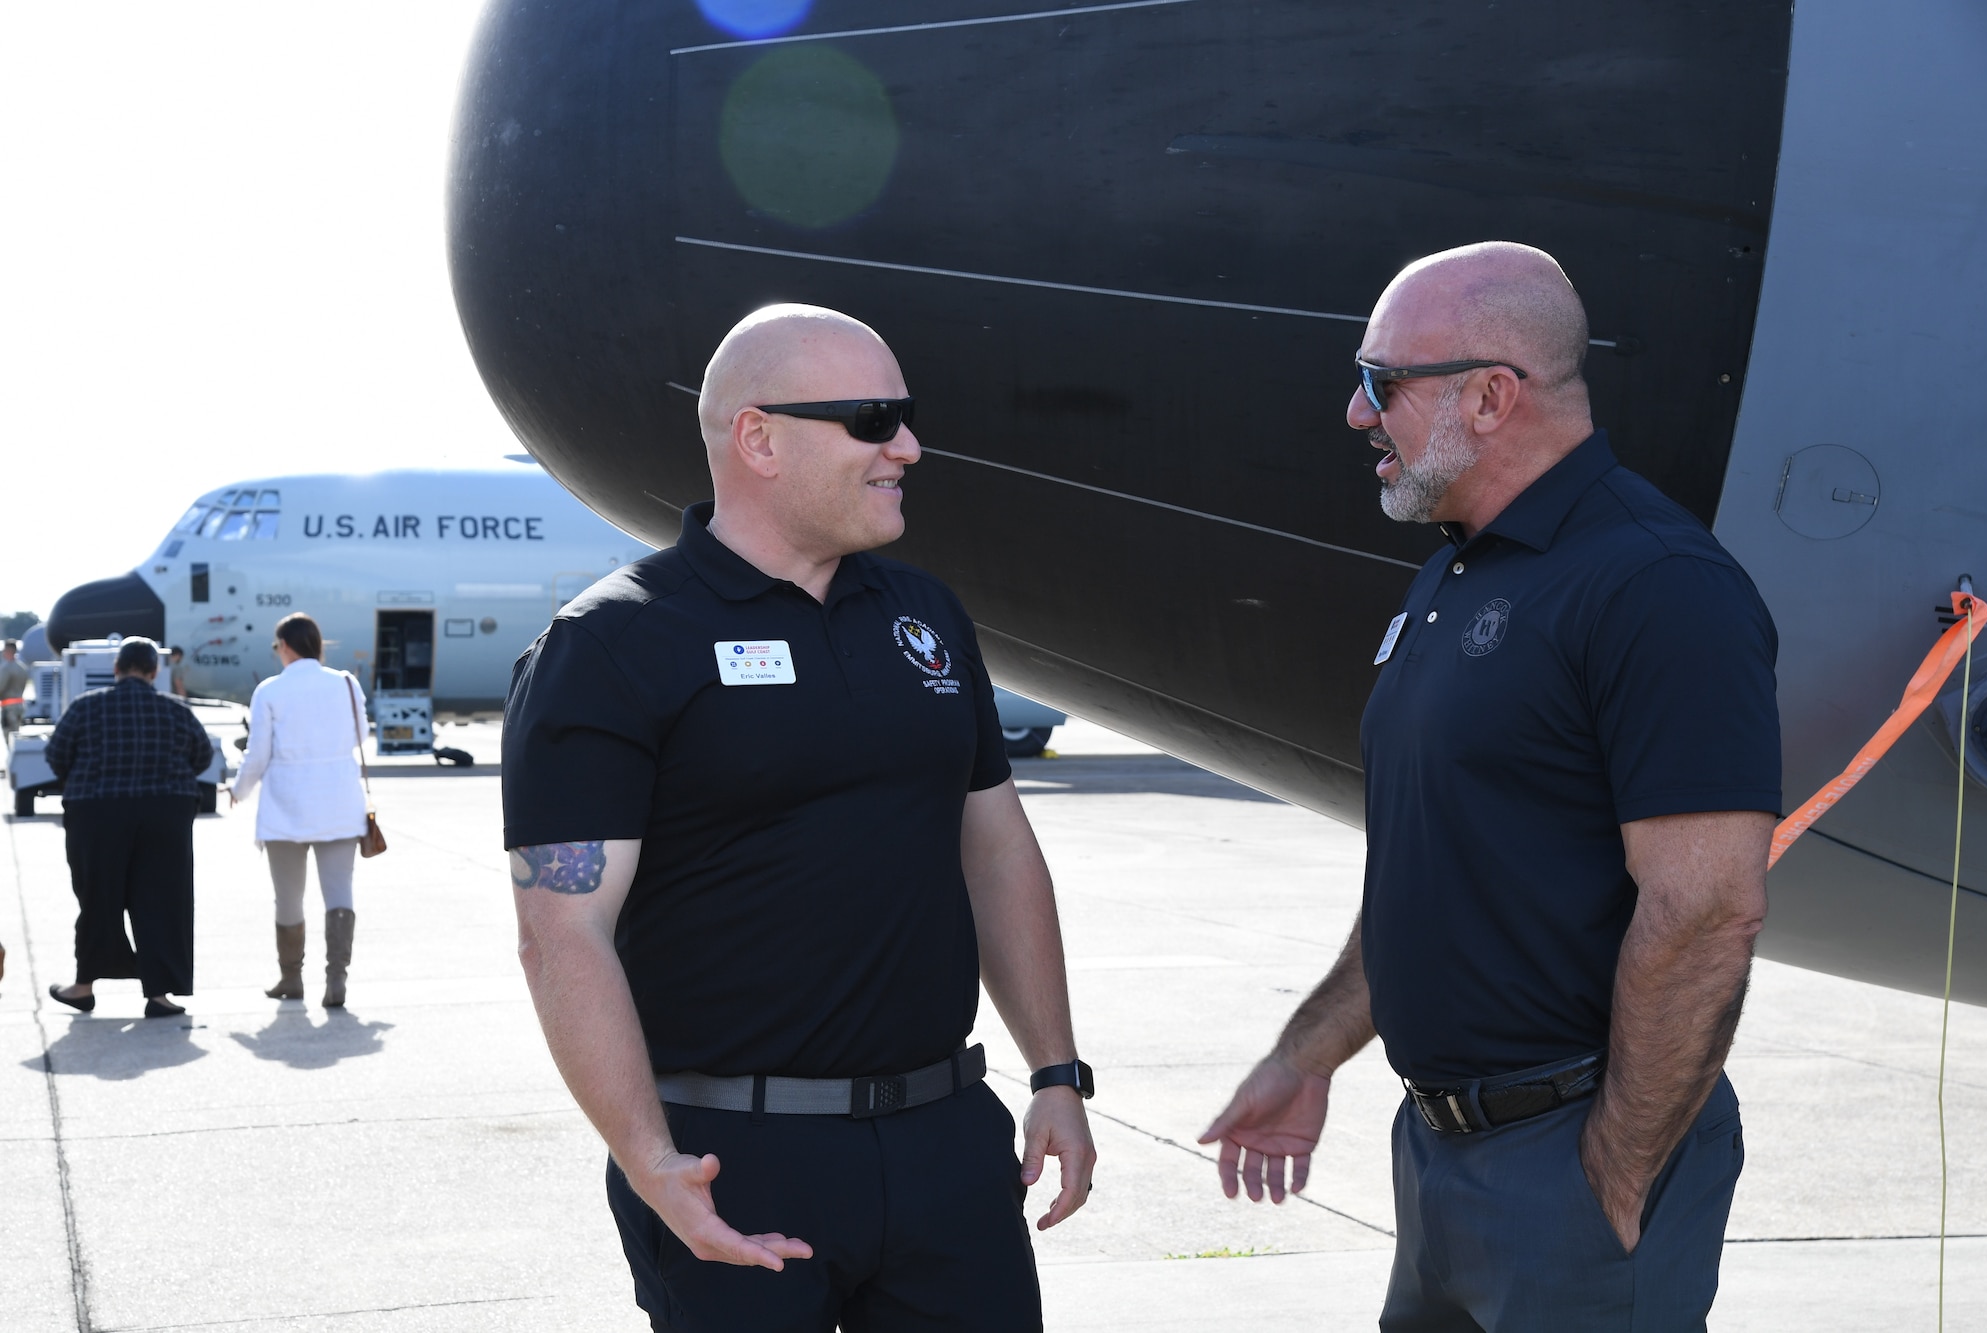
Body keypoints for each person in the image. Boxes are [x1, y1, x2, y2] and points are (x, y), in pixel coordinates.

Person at [1201, 243, 1780, 1331]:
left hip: (1576, 1159)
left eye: (1380, 382)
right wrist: (1307, 1052)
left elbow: (1705, 910)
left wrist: (1614, 1177)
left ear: (1488, 395)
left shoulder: (1657, 586)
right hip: (1439, 1160)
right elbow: (1442, 871)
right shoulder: (1458, 570)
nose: (1353, 413)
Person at [502, 304, 1096, 1332]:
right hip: (734, 1158)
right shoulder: (613, 642)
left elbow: (994, 845)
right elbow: (561, 927)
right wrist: (650, 1162)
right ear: (758, 438)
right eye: (871, 419)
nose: (905, 446)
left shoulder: (924, 615)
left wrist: (1055, 1071)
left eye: (904, 416)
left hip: (945, 1143)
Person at [45, 637, 213, 1018]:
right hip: (166, 814)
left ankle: (83, 986)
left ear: (117, 669)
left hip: (96, 813)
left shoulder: (85, 707)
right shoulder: (177, 711)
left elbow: (56, 756)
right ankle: (158, 995)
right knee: (163, 902)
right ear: (154, 673)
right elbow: (202, 756)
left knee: (97, 898)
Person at [228, 613, 371, 1007]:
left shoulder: (270, 691)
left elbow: (257, 755)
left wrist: (239, 789)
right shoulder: (345, 683)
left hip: (285, 808)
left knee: (288, 898)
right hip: (340, 803)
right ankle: (336, 980)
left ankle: (291, 978)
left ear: (285, 646)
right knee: (339, 893)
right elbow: (361, 735)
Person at [0, 639, 28, 751]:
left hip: (8, 707)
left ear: (8, 651)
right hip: (19, 706)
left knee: (9, 737)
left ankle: (12, 764)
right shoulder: (22, 668)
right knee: (16, 735)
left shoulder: (6, 668)